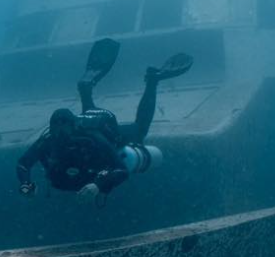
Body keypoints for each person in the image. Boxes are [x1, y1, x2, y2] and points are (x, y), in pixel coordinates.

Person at [16, 38, 192, 204]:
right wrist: (26, 183)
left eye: (65, 128)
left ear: (74, 126)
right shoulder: (46, 142)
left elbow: (121, 169)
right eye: (57, 129)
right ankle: (86, 88)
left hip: (104, 127)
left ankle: (152, 81)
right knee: (91, 113)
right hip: (87, 128)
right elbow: (23, 164)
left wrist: (98, 185)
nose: (61, 134)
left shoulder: (91, 139)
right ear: (52, 129)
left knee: (139, 131)